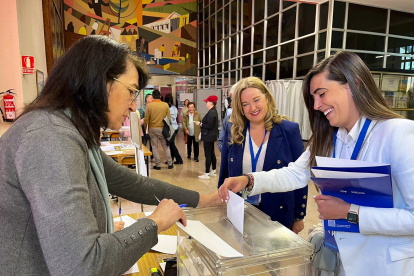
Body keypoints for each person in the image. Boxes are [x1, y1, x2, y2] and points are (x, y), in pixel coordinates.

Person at [0, 35, 221, 276]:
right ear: (100, 81)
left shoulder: (69, 128)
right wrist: (154, 224)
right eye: (132, 92)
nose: (134, 105)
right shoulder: (50, 138)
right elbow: (82, 266)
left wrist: (205, 199)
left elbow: (132, 183)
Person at [218, 51, 414, 276]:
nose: (317, 105)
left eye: (321, 94)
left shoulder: (397, 134)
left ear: (354, 83)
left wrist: (349, 212)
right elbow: (294, 174)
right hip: (340, 261)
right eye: (313, 98)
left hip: (384, 265)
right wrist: (249, 179)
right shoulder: (330, 137)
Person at [218, 77, 307, 233]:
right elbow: (225, 172)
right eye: (245, 104)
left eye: (256, 100)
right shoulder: (233, 130)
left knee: (274, 256)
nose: (252, 108)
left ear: (267, 97)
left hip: (278, 212)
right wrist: (221, 201)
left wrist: (299, 217)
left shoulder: (288, 130)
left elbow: (300, 176)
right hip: (240, 210)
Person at [145, 89, 173, 170]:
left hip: (153, 128)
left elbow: (146, 119)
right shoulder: (165, 105)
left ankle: (158, 165)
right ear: (160, 96)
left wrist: (146, 128)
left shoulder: (149, 106)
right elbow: (169, 118)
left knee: (154, 147)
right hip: (163, 129)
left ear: (153, 97)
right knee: (165, 146)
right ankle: (170, 164)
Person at [196, 95, 219, 179]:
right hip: (211, 136)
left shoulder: (211, 113)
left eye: (207, 102)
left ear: (211, 103)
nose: (206, 103)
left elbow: (209, 125)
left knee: (208, 155)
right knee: (212, 153)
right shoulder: (213, 111)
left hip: (208, 136)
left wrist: (200, 124)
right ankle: (213, 170)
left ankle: (206, 173)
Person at [165, 94, 183, 164]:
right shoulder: (174, 108)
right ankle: (171, 160)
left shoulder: (169, 109)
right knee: (171, 144)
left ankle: (179, 160)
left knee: (172, 145)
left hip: (172, 128)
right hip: (174, 128)